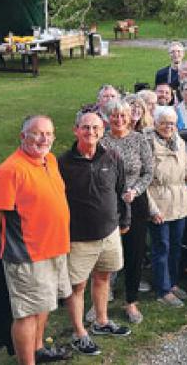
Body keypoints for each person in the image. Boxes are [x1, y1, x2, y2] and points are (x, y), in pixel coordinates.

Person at [0, 116, 72, 364]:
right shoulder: (10, 170)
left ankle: (39, 348)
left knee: (43, 305)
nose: (44, 139)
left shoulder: (49, 161)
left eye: (49, 134)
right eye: (37, 133)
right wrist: (9, 235)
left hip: (55, 248)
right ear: (23, 136)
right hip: (28, 255)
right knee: (26, 314)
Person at [57, 111, 131, 355]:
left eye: (96, 128)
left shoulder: (112, 157)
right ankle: (80, 333)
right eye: (85, 128)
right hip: (78, 238)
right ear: (75, 129)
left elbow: (122, 191)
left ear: (103, 130)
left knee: (104, 278)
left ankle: (101, 322)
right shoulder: (63, 162)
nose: (91, 133)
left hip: (109, 233)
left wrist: (125, 219)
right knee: (77, 287)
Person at [100, 99, 153, 325]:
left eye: (123, 115)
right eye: (114, 116)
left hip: (135, 203)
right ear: (108, 118)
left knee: (135, 253)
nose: (119, 120)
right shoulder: (101, 142)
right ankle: (101, 301)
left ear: (130, 116)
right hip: (108, 204)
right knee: (104, 256)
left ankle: (131, 301)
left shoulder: (140, 140)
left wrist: (136, 189)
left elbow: (149, 171)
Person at [146, 107, 187, 308]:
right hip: (159, 203)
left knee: (175, 246)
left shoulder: (180, 142)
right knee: (161, 247)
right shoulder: (147, 144)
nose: (169, 127)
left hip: (180, 202)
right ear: (156, 123)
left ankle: (173, 283)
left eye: (172, 123)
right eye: (165, 122)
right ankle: (163, 290)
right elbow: (144, 181)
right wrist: (152, 209)